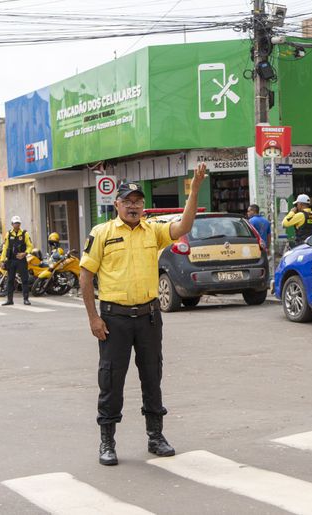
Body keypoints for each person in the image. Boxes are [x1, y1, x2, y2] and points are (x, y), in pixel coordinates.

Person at [79, 164, 208, 467]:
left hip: (149, 316)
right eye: (128, 201)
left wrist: (195, 190)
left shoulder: (154, 230)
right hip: (114, 319)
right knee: (111, 379)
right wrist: (93, 319)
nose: (134, 206)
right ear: (117, 205)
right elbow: (85, 276)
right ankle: (107, 441)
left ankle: (156, 436)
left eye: (138, 201)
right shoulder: (102, 233)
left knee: (152, 376)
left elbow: (184, 226)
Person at [0, 215, 34, 306]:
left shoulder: (24, 234)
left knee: (24, 280)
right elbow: (5, 247)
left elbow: (30, 246)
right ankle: (9, 300)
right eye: (15, 223)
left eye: (18, 223)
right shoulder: (8, 234)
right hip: (11, 260)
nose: (17, 225)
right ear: (12, 224)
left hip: (21, 260)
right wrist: (2, 261)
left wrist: (25, 253)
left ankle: (26, 299)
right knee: (10, 280)